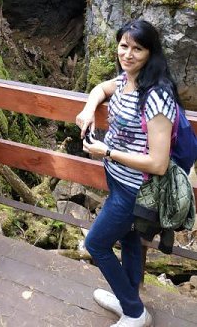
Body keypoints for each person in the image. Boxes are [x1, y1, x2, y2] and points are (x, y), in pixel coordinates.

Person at [75, 20, 179, 327]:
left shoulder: (157, 95)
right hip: (118, 182)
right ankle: (128, 299)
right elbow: (102, 88)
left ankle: (134, 312)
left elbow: (158, 163)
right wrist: (88, 108)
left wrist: (107, 152)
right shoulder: (126, 79)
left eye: (138, 49)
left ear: (151, 52)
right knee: (131, 241)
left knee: (96, 244)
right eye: (124, 46)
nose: (128, 54)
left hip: (136, 190)